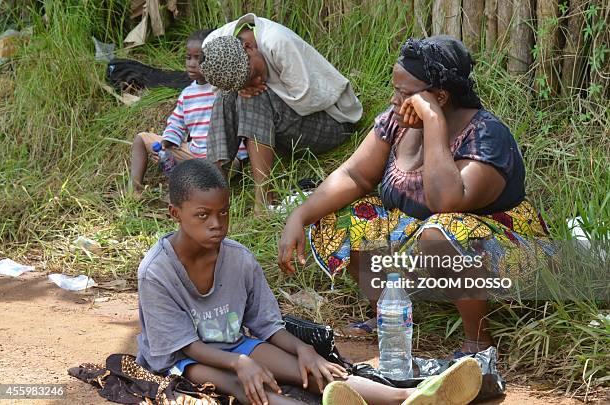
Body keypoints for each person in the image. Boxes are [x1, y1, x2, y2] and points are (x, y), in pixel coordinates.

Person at [278, 36, 553, 354]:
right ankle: (388, 314)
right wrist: (299, 216)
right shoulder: (397, 123)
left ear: (440, 96)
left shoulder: (486, 136)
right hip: (424, 243)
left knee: (442, 229)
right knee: (340, 214)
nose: (394, 100)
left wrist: (433, 122)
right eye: (395, 89)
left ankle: (477, 340)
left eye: (405, 93)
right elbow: (354, 175)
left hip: (505, 253)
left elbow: (447, 203)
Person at [135, 158, 482, 405]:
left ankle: (406, 398)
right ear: (175, 213)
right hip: (182, 359)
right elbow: (184, 346)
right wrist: (241, 364)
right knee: (243, 386)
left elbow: (268, 326)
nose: (216, 223)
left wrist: (304, 350)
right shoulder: (157, 272)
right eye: (203, 215)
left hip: (235, 344)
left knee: (314, 373)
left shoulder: (238, 259)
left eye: (223, 212)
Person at [198, 14, 363, 212]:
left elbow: (308, 98)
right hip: (284, 132)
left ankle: (263, 201)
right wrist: (240, 88)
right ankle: (213, 189)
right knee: (226, 98)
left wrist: (254, 89)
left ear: (249, 47)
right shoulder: (212, 46)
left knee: (253, 98)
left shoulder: (277, 42)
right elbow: (220, 89)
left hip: (333, 122)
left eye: (254, 74)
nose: (257, 82)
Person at [129, 29, 247, 194]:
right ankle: (135, 191)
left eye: (199, 58)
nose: (192, 63)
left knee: (213, 166)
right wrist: (165, 144)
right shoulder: (187, 94)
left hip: (224, 159)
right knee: (141, 139)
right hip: (194, 153)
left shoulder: (224, 87)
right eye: (188, 57)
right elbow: (177, 123)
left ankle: (191, 191)